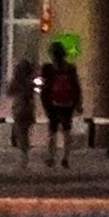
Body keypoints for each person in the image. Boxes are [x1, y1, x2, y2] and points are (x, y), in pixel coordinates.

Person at [33, 39, 84, 168]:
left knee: (52, 131)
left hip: (53, 104)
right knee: (67, 131)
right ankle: (66, 158)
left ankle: (51, 157)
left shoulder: (48, 68)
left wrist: (45, 104)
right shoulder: (71, 68)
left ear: (52, 54)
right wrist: (78, 103)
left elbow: (43, 87)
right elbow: (76, 87)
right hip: (68, 103)